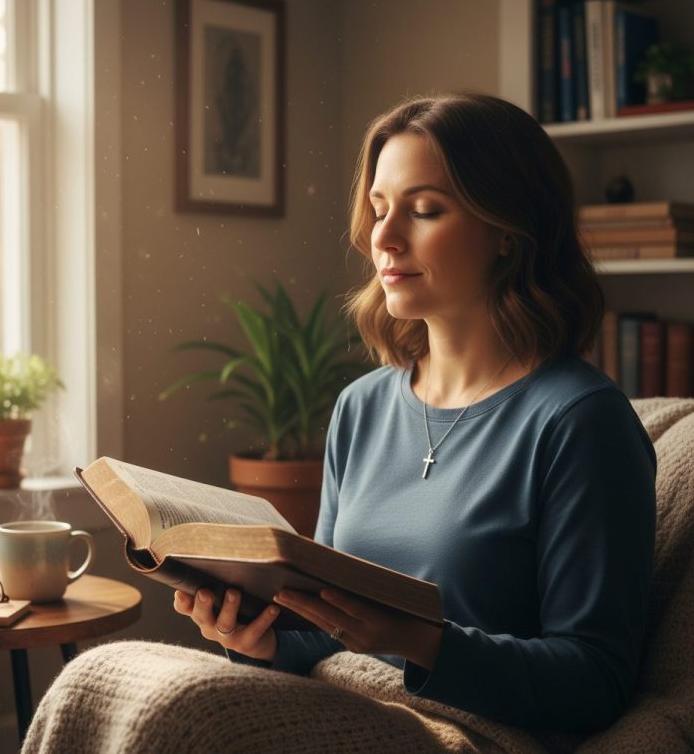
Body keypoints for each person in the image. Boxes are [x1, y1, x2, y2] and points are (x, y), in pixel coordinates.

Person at [173, 92, 656, 735]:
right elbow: (329, 635)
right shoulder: (362, 407)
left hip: (470, 735)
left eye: (424, 210)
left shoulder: (581, 422)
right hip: (349, 712)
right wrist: (256, 640)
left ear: (509, 233)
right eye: (379, 210)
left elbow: (596, 682)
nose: (384, 237)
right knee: (121, 680)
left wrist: (424, 641)